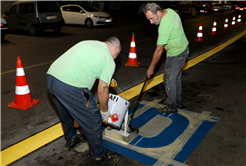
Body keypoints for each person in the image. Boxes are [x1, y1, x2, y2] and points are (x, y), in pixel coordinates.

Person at [46, 37, 121, 165]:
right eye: (116, 55)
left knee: (66, 111)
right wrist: (104, 111)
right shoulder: (109, 61)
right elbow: (102, 91)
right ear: (116, 49)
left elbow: (87, 64)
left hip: (51, 78)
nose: (115, 58)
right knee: (94, 120)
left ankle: (71, 139)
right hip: (71, 86)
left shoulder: (90, 43)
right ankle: (98, 157)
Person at [143, 3, 189, 113]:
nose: (151, 22)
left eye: (152, 18)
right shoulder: (170, 11)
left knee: (168, 80)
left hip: (176, 53)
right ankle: (176, 101)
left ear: (158, 12)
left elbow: (158, 51)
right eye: (149, 19)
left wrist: (151, 68)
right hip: (183, 49)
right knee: (175, 78)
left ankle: (172, 106)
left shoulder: (164, 26)